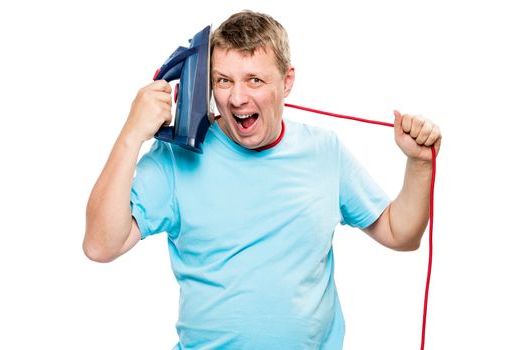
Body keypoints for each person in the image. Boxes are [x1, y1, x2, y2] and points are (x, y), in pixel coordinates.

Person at [83, 10, 441, 350]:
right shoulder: (177, 159)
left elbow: (400, 234)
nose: (237, 98)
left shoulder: (324, 151)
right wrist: (131, 134)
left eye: (254, 80)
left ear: (287, 82)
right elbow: (101, 245)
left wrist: (419, 164)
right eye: (224, 80)